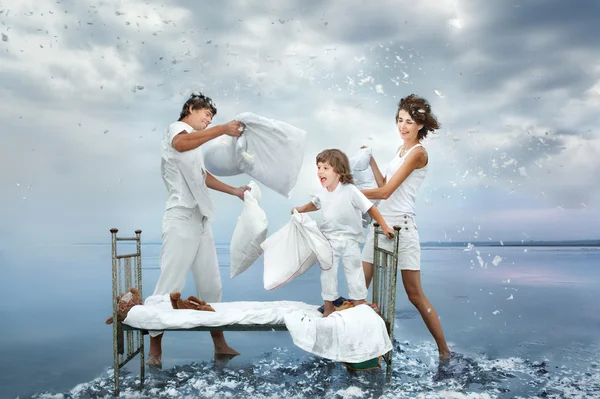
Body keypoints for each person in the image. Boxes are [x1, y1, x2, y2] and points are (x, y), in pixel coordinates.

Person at [147, 92, 250, 368]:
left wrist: (235, 191)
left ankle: (220, 345)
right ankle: (154, 351)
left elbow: (202, 177)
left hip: (201, 219)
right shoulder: (177, 130)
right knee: (170, 284)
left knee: (211, 285)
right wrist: (223, 129)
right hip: (180, 218)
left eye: (213, 118)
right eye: (206, 114)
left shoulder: (195, 146)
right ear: (191, 109)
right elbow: (181, 144)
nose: (209, 120)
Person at [360, 93, 450, 360]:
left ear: (420, 125)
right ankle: (356, 347)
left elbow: (386, 192)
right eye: (400, 120)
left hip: (403, 229)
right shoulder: (399, 151)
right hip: (380, 225)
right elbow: (383, 185)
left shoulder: (418, 153)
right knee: (358, 287)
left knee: (415, 295)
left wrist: (351, 191)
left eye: (409, 121)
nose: (403, 126)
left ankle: (444, 352)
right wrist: (372, 160)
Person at [292, 149, 394, 317]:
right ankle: (329, 306)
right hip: (329, 240)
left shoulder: (350, 190)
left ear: (338, 171)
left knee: (355, 273)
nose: (320, 171)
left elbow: (370, 208)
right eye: (318, 167)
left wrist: (384, 226)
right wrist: (302, 209)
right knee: (327, 273)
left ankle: (359, 303)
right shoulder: (322, 192)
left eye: (325, 168)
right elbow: (315, 204)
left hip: (349, 240)